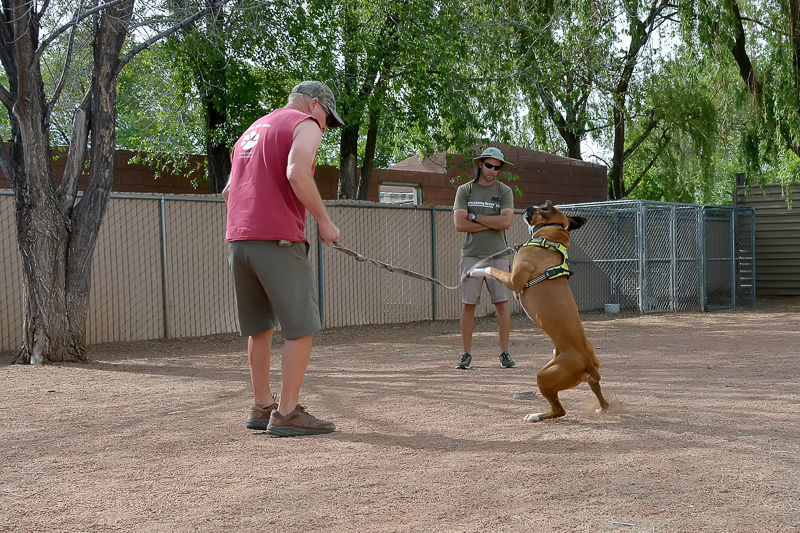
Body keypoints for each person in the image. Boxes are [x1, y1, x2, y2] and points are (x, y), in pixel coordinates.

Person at [223, 81, 344, 437]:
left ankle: (262, 405)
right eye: (326, 119)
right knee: (301, 326)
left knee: (259, 326)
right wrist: (324, 221)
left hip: (239, 241)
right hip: (278, 240)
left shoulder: (252, 130)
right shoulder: (302, 124)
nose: (325, 127)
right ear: (314, 104)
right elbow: (296, 171)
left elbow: (229, 190)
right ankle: (288, 412)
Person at [452, 146, 516, 370]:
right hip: (472, 255)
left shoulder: (505, 191)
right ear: (480, 164)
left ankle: (505, 353)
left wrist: (475, 217)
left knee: (502, 304)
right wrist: (491, 221)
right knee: (468, 305)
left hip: (498, 255)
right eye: (489, 165)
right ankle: (466, 354)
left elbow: (506, 222)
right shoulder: (465, 191)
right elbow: (459, 225)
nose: (493, 171)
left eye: (497, 167)